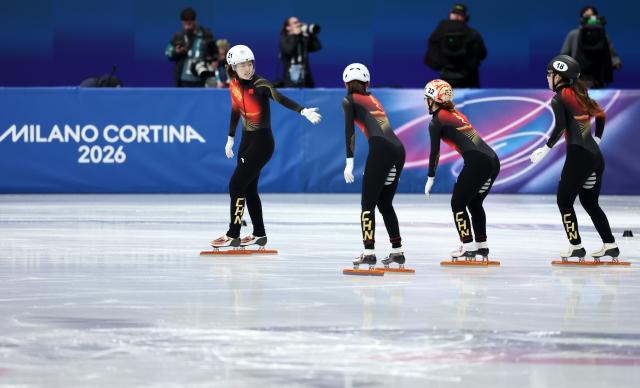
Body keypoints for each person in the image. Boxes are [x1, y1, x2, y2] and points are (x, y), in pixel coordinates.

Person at [211, 45, 322, 248]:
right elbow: (236, 109)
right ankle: (259, 234)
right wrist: (230, 138)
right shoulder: (234, 84)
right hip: (246, 141)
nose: (247, 68)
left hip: (262, 143)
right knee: (249, 189)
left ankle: (233, 234)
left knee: (236, 185)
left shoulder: (261, 83)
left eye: (250, 63)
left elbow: (280, 97)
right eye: (242, 65)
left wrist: (302, 110)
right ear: (233, 67)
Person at [529, 55, 619, 261]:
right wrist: (597, 138)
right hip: (595, 157)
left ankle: (576, 246)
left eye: (549, 74)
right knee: (590, 202)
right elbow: (601, 114)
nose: (547, 78)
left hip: (579, 156)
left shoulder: (559, 97)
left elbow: (560, 126)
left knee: (564, 201)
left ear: (559, 76)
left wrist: (546, 148)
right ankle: (610, 244)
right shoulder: (580, 92)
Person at [423, 79, 500, 260]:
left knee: (457, 204)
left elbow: (435, 153)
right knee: (474, 204)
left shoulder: (436, 122)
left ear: (433, 99)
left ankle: (468, 246)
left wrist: (430, 177)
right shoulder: (453, 113)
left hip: (478, 163)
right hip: (493, 160)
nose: (425, 101)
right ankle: (481, 246)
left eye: (427, 98)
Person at [341, 63, 407, 269]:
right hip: (398, 149)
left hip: (381, 150)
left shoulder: (348, 100)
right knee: (385, 204)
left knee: (367, 205)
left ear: (345, 83)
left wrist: (349, 163)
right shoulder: (372, 98)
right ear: (367, 82)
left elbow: (349, 132)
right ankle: (397, 252)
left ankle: (369, 252)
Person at [424, 4, 487, 88]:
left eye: (459, 14)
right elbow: (482, 54)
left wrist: (441, 64)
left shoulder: (439, 32)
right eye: (455, 13)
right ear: (466, 17)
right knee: (471, 99)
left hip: (445, 74)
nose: (457, 16)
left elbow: (431, 52)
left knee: (445, 98)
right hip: (468, 77)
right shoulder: (473, 34)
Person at [560, 6, 621, 88]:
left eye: (591, 16)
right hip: (578, 76)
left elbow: (610, 52)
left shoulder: (602, 36)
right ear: (582, 18)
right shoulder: (574, 34)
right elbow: (565, 54)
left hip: (597, 76)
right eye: (586, 16)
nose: (589, 18)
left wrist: (616, 62)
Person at [164, 7, 216, 87]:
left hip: (202, 79)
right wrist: (176, 51)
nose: (187, 27)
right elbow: (168, 53)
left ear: (195, 21)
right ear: (182, 22)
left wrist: (212, 66)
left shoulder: (206, 35)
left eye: (190, 24)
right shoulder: (178, 36)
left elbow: (214, 54)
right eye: (185, 24)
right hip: (183, 80)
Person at [278, 16, 322, 88]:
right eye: (295, 23)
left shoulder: (302, 39)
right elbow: (289, 50)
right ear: (288, 27)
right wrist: (294, 36)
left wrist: (310, 34)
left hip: (306, 78)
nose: (298, 24)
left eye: (298, 22)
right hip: (291, 79)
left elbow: (317, 47)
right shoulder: (284, 39)